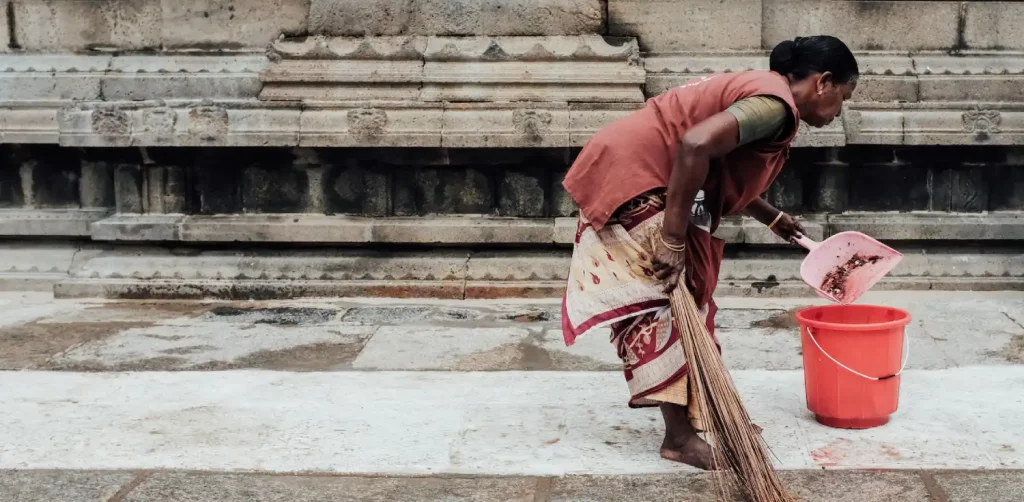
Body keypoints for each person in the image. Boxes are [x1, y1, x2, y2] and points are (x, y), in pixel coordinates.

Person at [560, 36, 859, 470]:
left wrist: (772, 217)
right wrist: (672, 239)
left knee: (694, 296)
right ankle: (679, 438)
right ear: (824, 82)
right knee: (667, 302)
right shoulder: (775, 106)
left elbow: (714, 159)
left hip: (648, 174)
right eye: (843, 98)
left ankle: (713, 413)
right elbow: (695, 145)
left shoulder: (762, 91)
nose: (839, 111)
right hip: (639, 177)